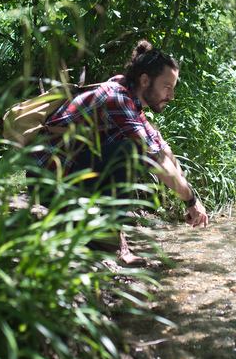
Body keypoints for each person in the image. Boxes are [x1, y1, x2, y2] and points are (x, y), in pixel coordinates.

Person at [33, 40, 208, 264]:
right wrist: (191, 201)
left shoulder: (128, 95)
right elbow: (157, 162)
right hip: (47, 181)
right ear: (145, 80)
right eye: (167, 87)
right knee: (130, 151)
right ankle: (114, 246)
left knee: (133, 149)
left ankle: (100, 234)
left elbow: (163, 149)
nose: (171, 96)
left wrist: (191, 198)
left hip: (65, 174)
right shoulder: (118, 98)